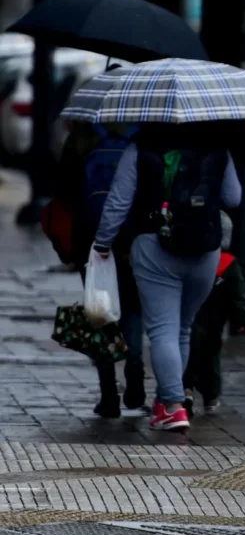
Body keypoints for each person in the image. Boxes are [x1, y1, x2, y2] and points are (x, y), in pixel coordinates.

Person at [93, 123, 242, 431]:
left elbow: (119, 201)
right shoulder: (217, 148)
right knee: (183, 328)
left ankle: (173, 405)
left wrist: (102, 243)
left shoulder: (141, 147)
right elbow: (233, 198)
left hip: (153, 244)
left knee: (162, 330)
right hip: (205, 248)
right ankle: (167, 402)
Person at [52, 121, 145, 418]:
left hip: (90, 238)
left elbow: (63, 188)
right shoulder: (144, 135)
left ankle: (108, 395)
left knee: (98, 310)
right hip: (132, 237)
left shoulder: (83, 136)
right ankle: (135, 369)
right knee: (132, 307)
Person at [182, 212, 245, 415]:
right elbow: (238, 295)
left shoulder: (190, 260)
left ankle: (186, 388)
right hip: (215, 320)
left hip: (192, 315)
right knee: (211, 357)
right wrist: (241, 318)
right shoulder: (228, 263)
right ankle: (211, 395)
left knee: (188, 350)